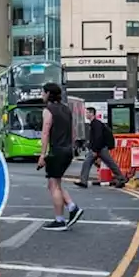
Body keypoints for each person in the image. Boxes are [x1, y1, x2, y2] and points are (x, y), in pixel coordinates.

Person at [37, 82, 82, 231]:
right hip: (68, 150)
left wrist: (42, 155)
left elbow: (45, 133)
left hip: (57, 150)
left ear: (48, 94)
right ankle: (71, 207)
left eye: (43, 92)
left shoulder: (48, 110)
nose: (42, 95)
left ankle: (60, 220)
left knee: (54, 185)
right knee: (54, 183)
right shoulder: (66, 109)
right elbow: (72, 130)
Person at [74, 107, 125, 188]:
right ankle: (121, 179)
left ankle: (121, 179)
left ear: (91, 113)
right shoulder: (94, 123)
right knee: (106, 163)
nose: (86, 114)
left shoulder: (96, 124)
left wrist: (95, 150)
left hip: (99, 148)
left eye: (87, 113)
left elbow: (98, 137)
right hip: (99, 148)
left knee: (108, 163)